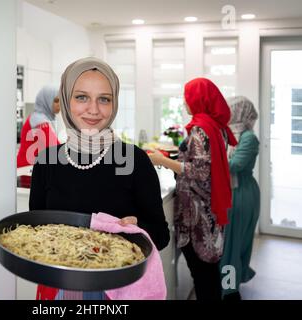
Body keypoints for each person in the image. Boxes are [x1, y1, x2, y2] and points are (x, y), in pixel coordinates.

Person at [29, 57, 170, 300]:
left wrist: (137, 229)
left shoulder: (134, 160)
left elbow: (161, 235)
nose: (93, 109)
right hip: (57, 286)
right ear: (65, 100)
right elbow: (36, 229)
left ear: (114, 104)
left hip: (116, 290)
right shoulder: (47, 160)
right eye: (81, 97)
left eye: (104, 99)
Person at [148, 78, 237, 300]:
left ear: (199, 99)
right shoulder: (215, 126)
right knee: (208, 273)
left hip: (197, 217)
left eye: (188, 96)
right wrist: (171, 157)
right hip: (209, 210)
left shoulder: (201, 129)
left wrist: (162, 160)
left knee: (203, 275)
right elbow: (206, 162)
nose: (185, 101)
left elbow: (200, 171)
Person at [219, 96, 260, 300]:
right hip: (233, 192)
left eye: (231, 110)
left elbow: (233, 166)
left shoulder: (248, 138)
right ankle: (228, 285)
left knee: (233, 245)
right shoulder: (230, 134)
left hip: (241, 194)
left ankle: (230, 291)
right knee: (229, 244)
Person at [16, 85, 61, 168]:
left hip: (29, 168)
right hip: (26, 170)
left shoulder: (40, 118)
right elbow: (55, 149)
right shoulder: (39, 120)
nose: (59, 104)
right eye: (56, 101)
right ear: (46, 101)